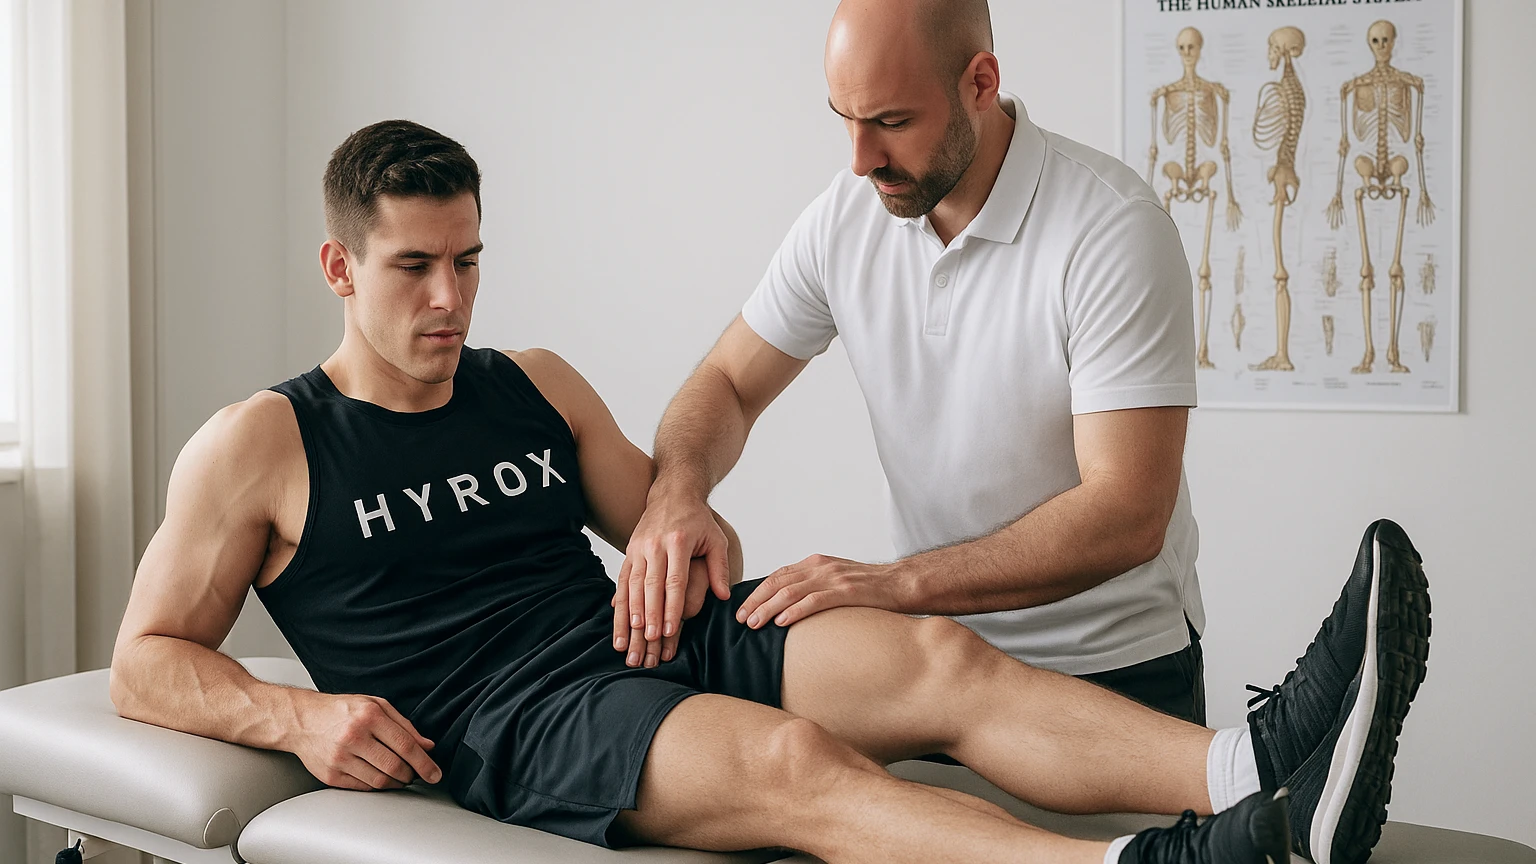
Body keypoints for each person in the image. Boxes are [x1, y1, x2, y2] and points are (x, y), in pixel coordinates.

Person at [109, 120, 1431, 864]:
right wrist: (299, 715)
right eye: (414, 268)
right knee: (801, 766)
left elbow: (665, 513)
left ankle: (1256, 762)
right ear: (340, 269)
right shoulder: (262, 445)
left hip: (652, 635)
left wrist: (681, 514)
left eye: (468, 260)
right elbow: (144, 660)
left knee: (930, 654)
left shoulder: (532, 383)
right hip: (521, 719)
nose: (451, 298)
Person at [624, 0, 1214, 722]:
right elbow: (728, 382)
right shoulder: (844, 217)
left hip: (1111, 667)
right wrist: (677, 492)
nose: (861, 159)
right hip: (934, 661)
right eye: (845, 118)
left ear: (981, 82)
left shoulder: (1112, 230)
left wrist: (895, 584)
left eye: (892, 122)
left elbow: (1127, 512)